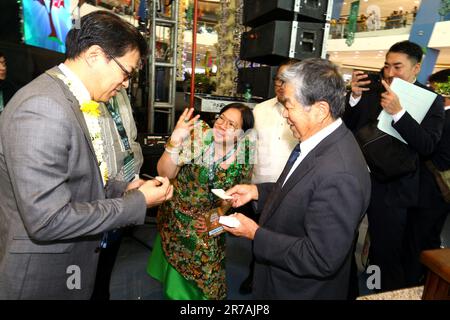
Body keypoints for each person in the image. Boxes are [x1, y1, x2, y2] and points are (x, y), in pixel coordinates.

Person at [0, 11, 173, 300]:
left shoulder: (68, 99)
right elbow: (47, 220)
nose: (126, 83)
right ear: (94, 55)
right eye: (126, 72)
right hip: (42, 275)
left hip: (69, 265)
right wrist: (136, 202)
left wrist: (123, 188)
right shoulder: (44, 107)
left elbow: (75, 181)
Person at [224, 58, 371, 300]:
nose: (284, 114)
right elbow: (299, 191)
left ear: (320, 110)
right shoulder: (315, 141)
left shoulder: (340, 173)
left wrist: (255, 234)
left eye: (289, 105)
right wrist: (256, 192)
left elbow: (321, 258)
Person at [345, 40, 444, 291]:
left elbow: (427, 145)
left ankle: (380, 291)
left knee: (384, 251)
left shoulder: (431, 100)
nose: (390, 73)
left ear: (416, 68)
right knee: (343, 240)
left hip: (393, 189)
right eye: (387, 66)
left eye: (397, 67)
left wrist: (399, 113)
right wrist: (354, 98)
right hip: (357, 179)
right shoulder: (373, 89)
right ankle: (349, 291)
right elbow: (350, 126)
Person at [147, 103, 255, 300]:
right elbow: (165, 173)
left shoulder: (245, 155)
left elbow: (234, 195)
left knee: (209, 271)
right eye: (221, 118)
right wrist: (175, 141)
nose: (222, 125)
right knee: (176, 274)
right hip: (177, 214)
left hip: (211, 217)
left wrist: (216, 218)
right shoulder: (200, 137)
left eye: (232, 124)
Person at [239, 59, 298, 295]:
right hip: (259, 188)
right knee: (258, 235)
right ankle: (255, 276)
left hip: (290, 191)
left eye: (288, 80)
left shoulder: (305, 112)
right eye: (278, 79)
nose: (281, 85)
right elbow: (249, 146)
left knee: (284, 241)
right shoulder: (260, 110)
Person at [90, 88, 144, 300]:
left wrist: (129, 178)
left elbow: (129, 138)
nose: (127, 79)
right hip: (97, 193)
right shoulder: (85, 94)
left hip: (123, 186)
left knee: (108, 259)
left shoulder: (120, 93)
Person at [403, 69, 450, 286]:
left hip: (432, 191)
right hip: (429, 191)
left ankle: (414, 283)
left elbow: (431, 149)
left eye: (433, 89)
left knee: (420, 240)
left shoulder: (442, 116)